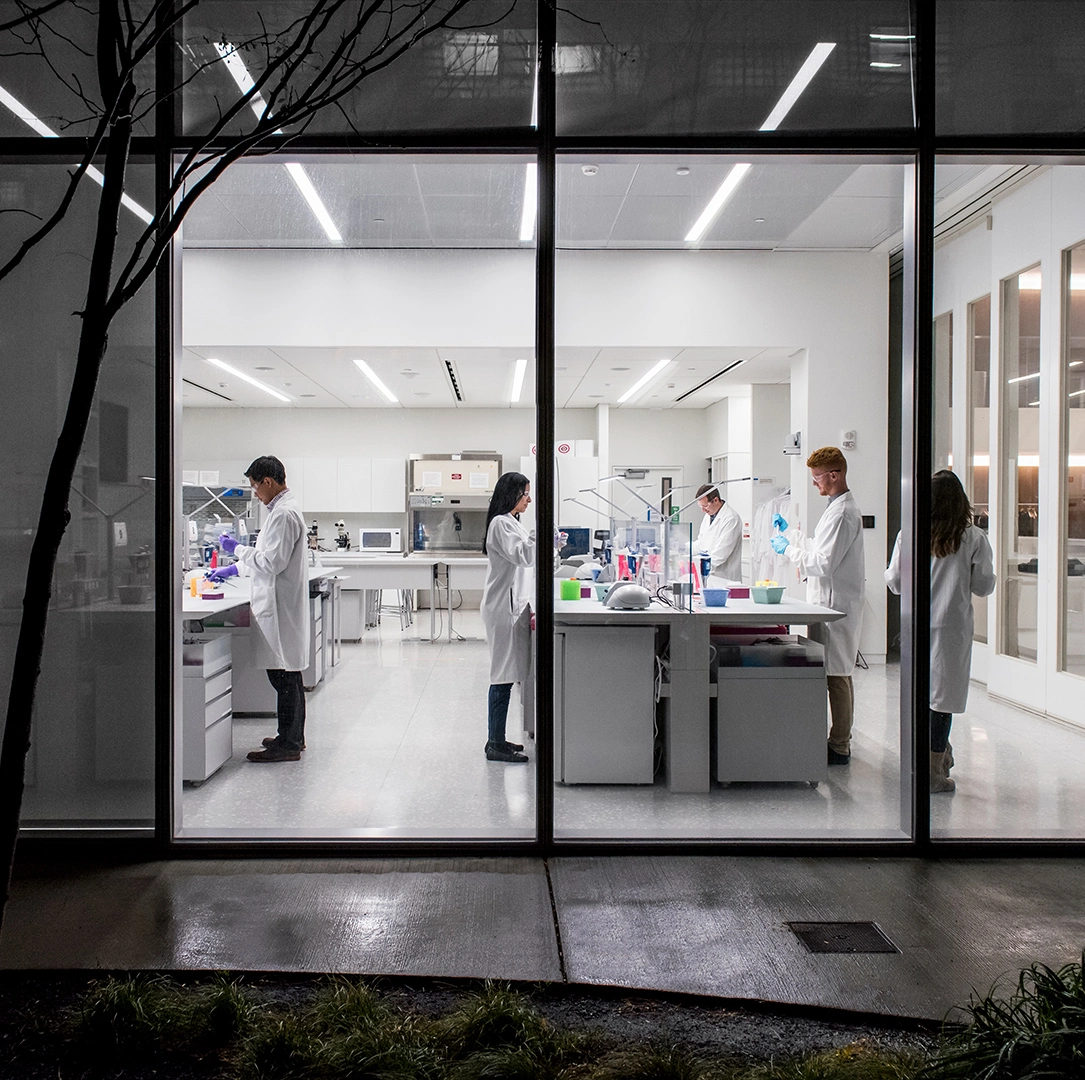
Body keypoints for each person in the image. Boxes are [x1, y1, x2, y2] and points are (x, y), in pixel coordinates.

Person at [885, 470, 995, 793]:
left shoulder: (911, 533)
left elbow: (893, 582)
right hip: (952, 629)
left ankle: (927, 762)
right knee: (941, 703)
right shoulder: (972, 537)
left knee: (920, 696)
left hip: (916, 625)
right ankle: (934, 771)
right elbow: (984, 585)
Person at [208, 455, 309, 762]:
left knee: (284, 677)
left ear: (268, 481)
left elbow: (271, 562)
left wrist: (235, 549)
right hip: (278, 604)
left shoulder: (283, 514)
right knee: (285, 676)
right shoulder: (280, 511)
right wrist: (234, 569)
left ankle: (290, 744)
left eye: (255, 486)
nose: (254, 493)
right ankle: (290, 737)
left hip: (280, 608)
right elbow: (266, 557)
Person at [770, 447, 865, 765]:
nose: (814, 484)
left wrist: (787, 551)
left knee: (837, 675)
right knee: (835, 672)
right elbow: (818, 547)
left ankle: (839, 746)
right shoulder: (836, 508)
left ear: (835, 475)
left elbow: (822, 563)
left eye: (817, 478)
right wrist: (791, 536)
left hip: (835, 605)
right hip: (828, 603)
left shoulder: (842, 513)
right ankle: (837, 740)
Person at [480, 471, 535, 764]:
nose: (529, 499)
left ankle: (498, 739)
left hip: (510, 606)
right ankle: (495, 744)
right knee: (502, 675)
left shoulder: (512, 521)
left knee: (508, 673)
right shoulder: (501, 523)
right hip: (501, 608)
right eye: (525, 493)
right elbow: (523, 555)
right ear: (512, 494)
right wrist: (541, 538)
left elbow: (530, 557)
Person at [695, 482, 743, 583]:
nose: (703, 510)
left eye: (705, 506)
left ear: (716, 500)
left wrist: (701, 568)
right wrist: (683, 548)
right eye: (700, 507)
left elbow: (719, 556)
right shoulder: (708, 516)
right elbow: (701, 543)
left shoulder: (731, 518)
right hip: (708, 577)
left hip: (724, 579)